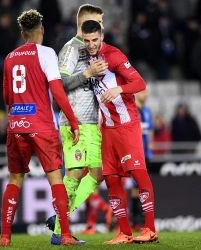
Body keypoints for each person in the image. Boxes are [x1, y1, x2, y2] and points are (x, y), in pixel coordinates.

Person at [0, 9, 80, 246]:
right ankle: (64, 235)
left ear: (23, 34)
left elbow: (6, 96)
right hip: (41, 126)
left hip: (16, 125)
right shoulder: (46, 53)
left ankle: (4, 237)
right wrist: (73, 122)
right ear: (41, 31)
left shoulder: (9, 58)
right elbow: (57, 91)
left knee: (14, 180)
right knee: (56, 179)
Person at [81, 20, 158, 244]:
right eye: (87, 41)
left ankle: (150, 229)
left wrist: (119, 89)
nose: (91, 44)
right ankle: (124, 232)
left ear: (102, 36)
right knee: (111, 179)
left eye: (95, 40)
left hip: (126, 124)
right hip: (106, 128)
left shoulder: (113, 56)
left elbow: (140, 83)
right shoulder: (85, 58)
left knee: (138, 173)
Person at [45, 4, 107, 245]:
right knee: (74, 173)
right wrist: (88, 74)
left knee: (98, 173)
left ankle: (61, 217)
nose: (102, 25)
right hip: (74, 123)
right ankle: (60, 231)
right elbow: (59, 84)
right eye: (98, 21)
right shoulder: (71, 49)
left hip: (92, 123)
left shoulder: (93, 49)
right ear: (85, 22)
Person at [130, 88, 154, 231]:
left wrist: (151, 143)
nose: (146, 95)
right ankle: (136, 221)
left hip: (147, 155)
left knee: (145, 187)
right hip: (136, 155)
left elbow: (150, 129)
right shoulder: (133, 110)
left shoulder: (147, 111)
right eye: (144, 92)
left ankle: (146, 222)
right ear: (137, 93)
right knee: (135, 189)